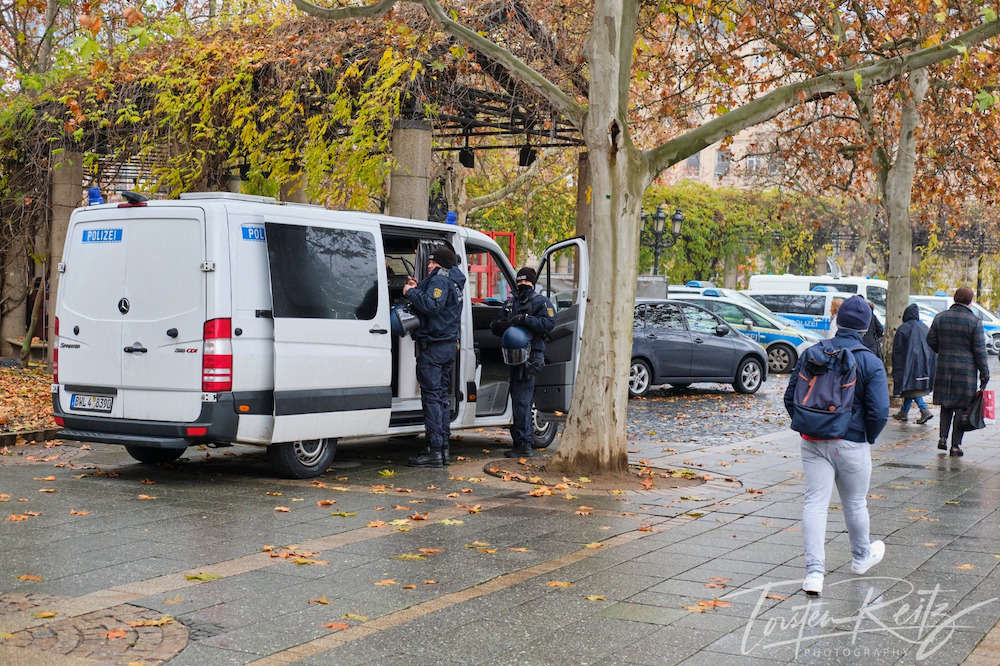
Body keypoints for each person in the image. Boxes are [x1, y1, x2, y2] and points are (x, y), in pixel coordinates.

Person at [784, 295, 889, 596]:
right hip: (852, 441)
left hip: (814, 441)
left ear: (838, 320)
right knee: (855, 502)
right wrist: (866, 435)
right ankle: (860, 557)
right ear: (864, 327)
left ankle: (814, 573)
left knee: (814, 503)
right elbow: (879, 411)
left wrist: (807, 423)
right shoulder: (870, 361)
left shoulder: (813, 352)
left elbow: (790, 397)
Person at [403, 246, 466, 468]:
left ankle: (434, 451)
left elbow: (432, 305)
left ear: (438, 263)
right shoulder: (454, 281)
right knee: (441, 398)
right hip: (447, 346)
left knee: (432, 398)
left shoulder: (440, 279)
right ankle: (443, 450)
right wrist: (419, 289)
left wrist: (410, 293)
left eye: (431, 262)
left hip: (434, 348)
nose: (428, 265)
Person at [490, 267, 555, 458]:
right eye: (519, 282)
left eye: (525, 282)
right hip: (514, 356)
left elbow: (549, 324)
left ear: (532, 283)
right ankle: (520, 442)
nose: (522, 285)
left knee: (522, 401)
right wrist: (506, 324)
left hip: (531, 356)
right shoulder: (511, 303)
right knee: (517, 400)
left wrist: (526, 320)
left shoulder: (541, 302)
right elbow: (497, 325)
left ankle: (524, 445)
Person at [926, 286, 989, 457]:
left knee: (946, 406)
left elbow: (930, 339)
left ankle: (942, 438)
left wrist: (943, 350)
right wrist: (984, 372)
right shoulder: (974, 322)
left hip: (944, 368)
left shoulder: (940, 318)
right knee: (961, 408)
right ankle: (955, 445)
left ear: (955, 298)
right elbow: (980, 351)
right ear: (970, 301)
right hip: (966, 372)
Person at [892, 304, 936, 424]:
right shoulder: (924, 327)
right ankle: (903, 413)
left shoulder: (903, 329)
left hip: (908, 364)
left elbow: (898, 350)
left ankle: (924, 410)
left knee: (911, 388)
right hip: (923, 364)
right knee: (911, 387)